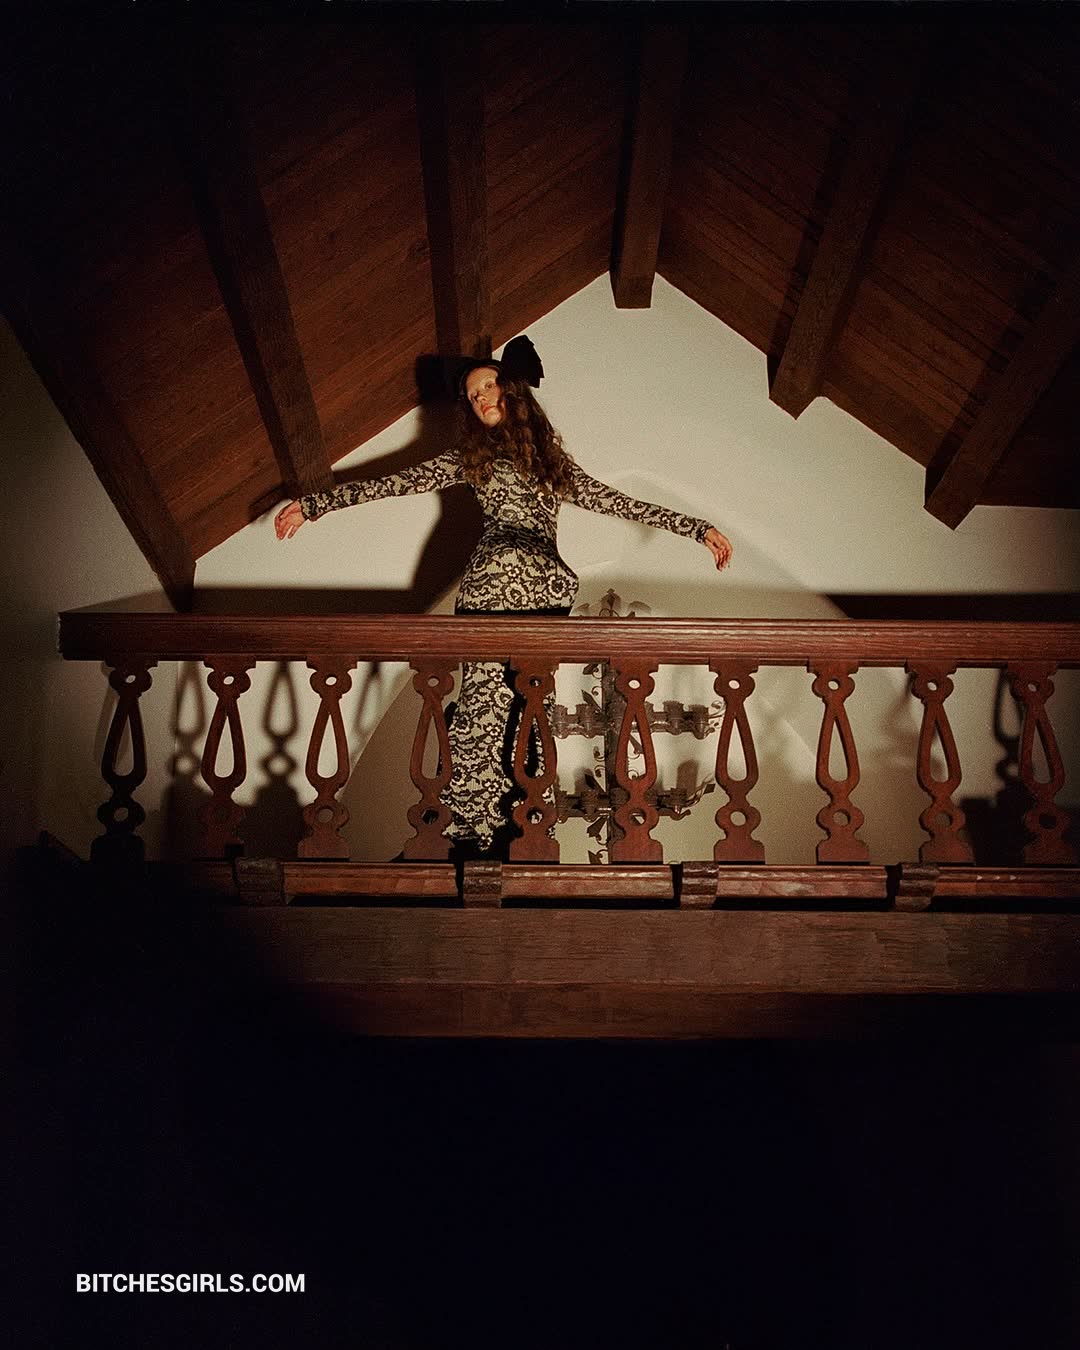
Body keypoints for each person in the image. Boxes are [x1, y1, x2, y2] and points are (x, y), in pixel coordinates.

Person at [275, 337, 733, 855]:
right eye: (473, 396)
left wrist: (697, 528)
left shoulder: (552, 464)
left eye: (488, 386)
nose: (481, 398)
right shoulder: (471, 459)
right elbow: (398, 481)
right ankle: (472, 834)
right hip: (493, 585)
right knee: (483, 707)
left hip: (544, 592)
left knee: (529, 711)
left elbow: (616, 501)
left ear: (512, 389)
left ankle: (522, 824)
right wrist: (315, 505)